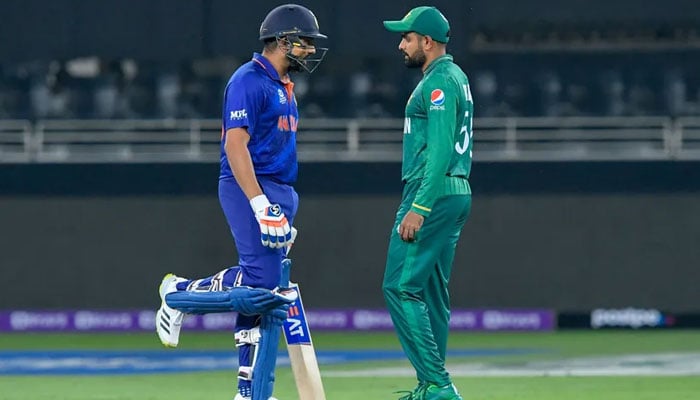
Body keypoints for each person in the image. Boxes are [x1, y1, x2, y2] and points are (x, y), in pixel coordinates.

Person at [154, 4, 328, 400]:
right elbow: (235, 145)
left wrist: (279, 202)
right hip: (246, 183)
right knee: (263, 283)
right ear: (283, 41)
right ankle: (177, 295)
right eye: (305, 43)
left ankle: (248, 391)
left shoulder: (283, 85)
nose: (310, 51)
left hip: (281, 189)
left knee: (267, 288)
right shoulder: (247, 80)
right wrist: (259, 203)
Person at [381, 6, 473, 400]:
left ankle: (437, 384)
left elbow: (437, 151)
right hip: (455, 191)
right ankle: (430, 384)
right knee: (432, 292)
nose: (402, 44)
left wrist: (419, 207)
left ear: (427, 42)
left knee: (400, 287)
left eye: (407, 37)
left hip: (431, 191)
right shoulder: (455, 77)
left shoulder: (439, 83)